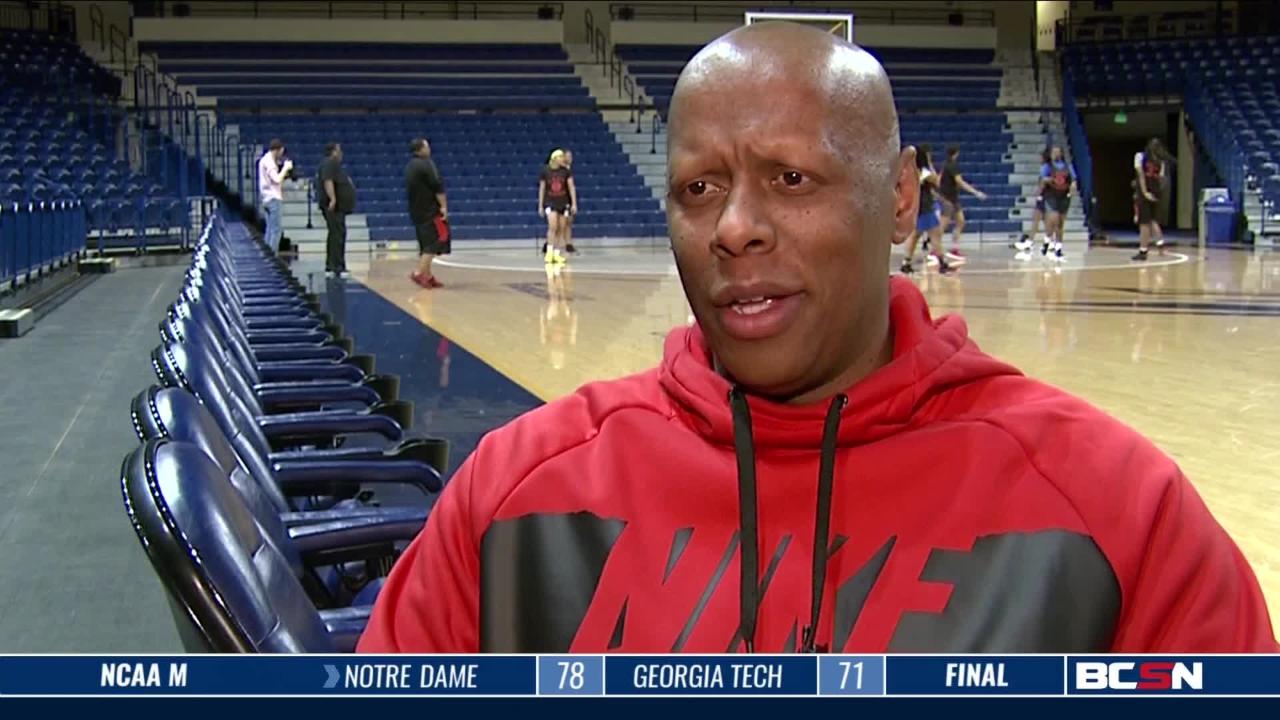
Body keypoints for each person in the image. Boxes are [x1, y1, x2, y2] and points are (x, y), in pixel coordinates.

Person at [358, 23, 1276, 654]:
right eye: (699, 190)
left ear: (903, 196)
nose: (736, 229)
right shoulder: (516, 493)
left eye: (793, 178)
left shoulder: (1119, 514)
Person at [900, 145, 952, 275]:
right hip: (925, 206)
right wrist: (929, 163)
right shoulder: (924, 172)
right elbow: (937, 180)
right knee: (934, 235)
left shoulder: (908, 171)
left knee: (916, 235)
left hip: (916, 206)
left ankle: (906, 262)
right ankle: (942, 263)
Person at [405, 137, 449, 289]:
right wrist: (443, 207)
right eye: (427, 146)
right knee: (438, 239)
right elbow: (437, 185)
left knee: (425, 243)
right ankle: (419, 273)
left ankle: (428, 276)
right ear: (421, 149)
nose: (429, 149)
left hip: (416, 210)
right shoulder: (427, 164)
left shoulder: (410, 165)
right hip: (430, 210)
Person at [937, 145, 987, 259]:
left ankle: (954, 249)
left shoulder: (944, 165)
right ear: (956, 153)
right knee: (942, 226)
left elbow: (938, 180)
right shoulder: (953, 166)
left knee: (961, 221)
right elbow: (960, 182)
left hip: (953, 198)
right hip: (948, 199)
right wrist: (976, 192)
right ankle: (934, 251)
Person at [317, 142, 356, 277]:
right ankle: (337, 267)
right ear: (333, 152)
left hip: (338, 207)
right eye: (339, 150)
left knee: (336, 234)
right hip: (334, 207)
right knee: (337, 235)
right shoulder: (330, 163)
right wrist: (333, 198)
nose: (341, 153)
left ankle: (332, 265)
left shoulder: (332, 164)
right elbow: (328, 181)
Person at [1132, 137, 1169, 262]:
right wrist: (1158, 193)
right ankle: (1160, 244)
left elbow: (1141, 176)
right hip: (1156, 191)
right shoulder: (1161, 162)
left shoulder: (1140, 157)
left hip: (1146, 192)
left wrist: (1144, 192)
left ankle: (1143, 250)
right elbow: (1162, 179)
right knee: (1153, 220)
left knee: (1144, 223)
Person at [539, 148, 576, 265]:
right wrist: (540, 205)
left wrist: (574, 203)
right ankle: (549, 252)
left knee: (561, 227)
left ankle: (556, 253)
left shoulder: (566, 171)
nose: (563, 159)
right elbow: (542, 188)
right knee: (552, 226)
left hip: (563, 202)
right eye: (560, 157)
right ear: (554, 158)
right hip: (550, 202)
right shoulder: (545, 171)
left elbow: (571, 187)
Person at [1014, 148, 1052, 259]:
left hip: (1044, 196)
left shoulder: (1045, 168)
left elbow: (1042, 182)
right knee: (1045, 221)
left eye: (1041, 157)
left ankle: (1029, 242)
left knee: (1036, 219)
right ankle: (1050, 242)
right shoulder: (1052, 168)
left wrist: (1038, 193)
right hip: (1050, 197)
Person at [1039, 146, 1075, 262]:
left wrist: (1073, 187)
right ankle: (1047, 240)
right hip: (1051, 196)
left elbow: (1073, 180)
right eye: (1053, 152)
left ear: (1061, 153)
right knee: (1054, 220)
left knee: (1060, 224)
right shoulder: (1047, 167)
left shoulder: (1068, 167)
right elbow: (1042, 180)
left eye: (1057, 152)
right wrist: (1048, 180)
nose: (1055, 154)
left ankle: (1058, 248)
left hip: (1064, 196)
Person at [256, 138, 292, 253]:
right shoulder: (269, 162)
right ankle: (272, 258)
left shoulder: (264, 160)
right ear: (278, 150)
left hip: (266, 198)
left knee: (269, 230)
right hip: (273, 198)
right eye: (281, 152)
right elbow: (277, 179)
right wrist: (286, 168)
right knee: (276, 230)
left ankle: (266, 256)